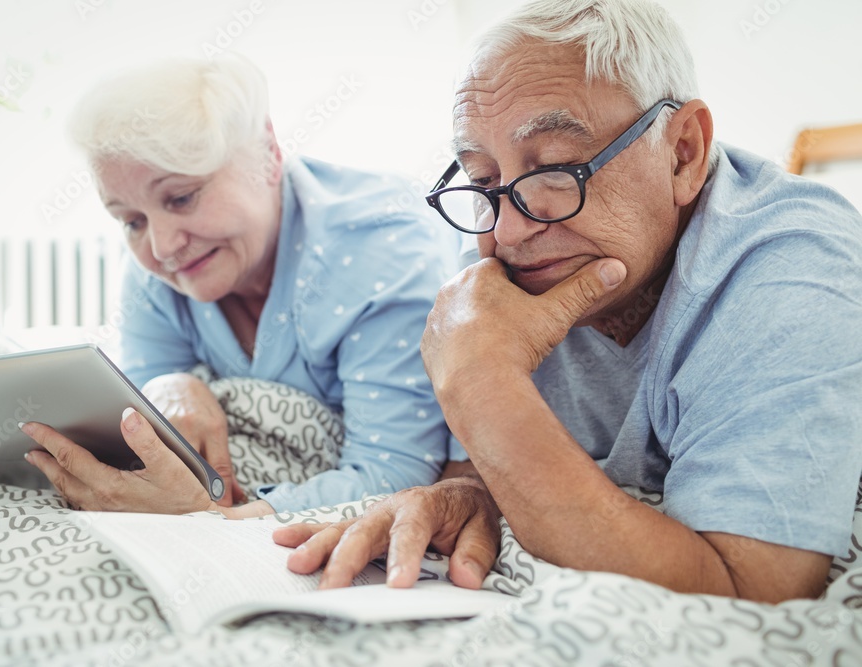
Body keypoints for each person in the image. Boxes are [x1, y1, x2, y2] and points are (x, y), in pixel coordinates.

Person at [274, 0, 862, 603]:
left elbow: (755, 593)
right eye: (481, 181)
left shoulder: (791, 264)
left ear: (682, 152)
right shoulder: (498, 256)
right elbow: (483, 468)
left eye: (555, 169)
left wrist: (482, 383)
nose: (505, 231)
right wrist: (468, 493)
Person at [19, 54, 461, 518]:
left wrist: (214, 520)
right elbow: (146, 424)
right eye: (130, 220)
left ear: (267, 154)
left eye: (182, 197)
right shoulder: (157, 271)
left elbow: (395, 475)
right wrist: (174, 384)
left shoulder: (381, 249)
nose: (163, 245)